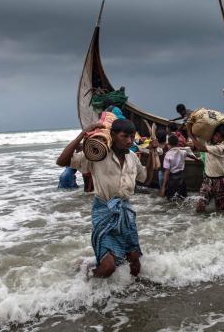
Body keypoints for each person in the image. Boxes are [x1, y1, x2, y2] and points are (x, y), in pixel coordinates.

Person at [56, 118, 158, 278]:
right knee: (108, 267)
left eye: (132, 137)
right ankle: (86, 284)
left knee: (135, 265)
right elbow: (61, 161)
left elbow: (146, 179)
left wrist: (152, 153)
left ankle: (129, 298)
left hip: (125, 213)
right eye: (124, 136)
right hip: (104, 212)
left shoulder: (132, 157)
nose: (129, 141)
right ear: (112, 135)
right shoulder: (98, 155)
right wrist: (83, 133)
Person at [189, 123, 224, 213]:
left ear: (223, 139)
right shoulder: (208, 140)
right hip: (207, 179)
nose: (217, 138)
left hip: (220, 181)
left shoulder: (221, 147)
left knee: (222, 210)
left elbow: (201, 148)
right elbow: (199, 147)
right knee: (200, 207)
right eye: (216, 135)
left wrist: (190, 136)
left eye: (220, 137)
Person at [160, 134, 188, 200]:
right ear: (178, 143)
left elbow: (167, 172)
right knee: (182, 199)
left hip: (173, 180)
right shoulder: (183, 152)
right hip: (182, 179)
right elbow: (186, 151)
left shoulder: (168, 155)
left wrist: (163, 187)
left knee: (171, 200)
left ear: (168, 144)